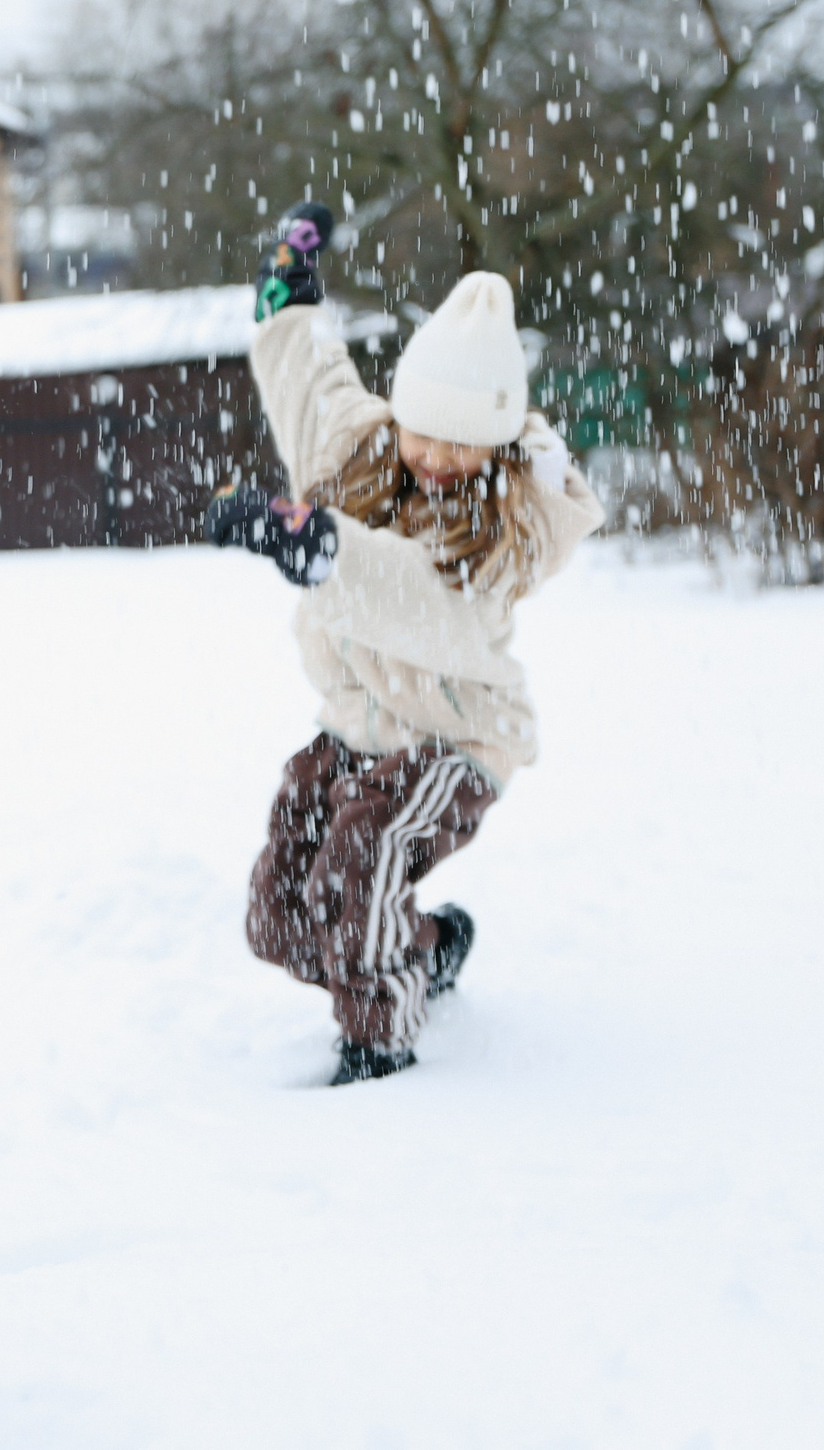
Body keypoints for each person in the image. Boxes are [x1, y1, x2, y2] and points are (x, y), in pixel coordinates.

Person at [206, 203, 603, 1084]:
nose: (437, 457)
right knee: (280, 913)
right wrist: (290, 293)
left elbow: (428, 606)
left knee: (363, 853)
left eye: (466, 445)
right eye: (426, 430)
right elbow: (309, 378)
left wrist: (322, 547)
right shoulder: (361, 447)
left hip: (456, 742)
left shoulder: (508, 527)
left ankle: (380, 1040)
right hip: (358, 727)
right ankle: (426, 947)